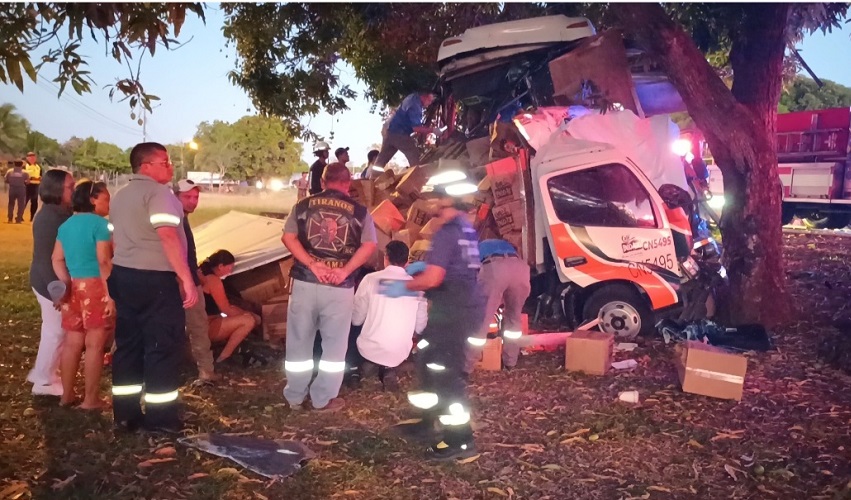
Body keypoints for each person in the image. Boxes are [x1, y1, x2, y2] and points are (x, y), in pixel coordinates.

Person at [382, 189, 485, 461]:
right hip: (457, 309)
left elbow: (432, 278)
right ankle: (429, 422)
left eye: (436, 199)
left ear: (446, 202)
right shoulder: (466, 229)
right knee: (427, 360)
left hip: (453, 313)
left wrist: (402, 286)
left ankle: (460, 440)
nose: (431, 205)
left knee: (445, 374)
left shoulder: (447, 233)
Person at [107, 142, 198, 434]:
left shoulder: (119, 196)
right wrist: (185, 278)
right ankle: (162, 420)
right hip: (156, 279)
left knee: (128, 346)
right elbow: (168, 237)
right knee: (161, 347)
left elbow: (115, 240)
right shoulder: (159, 194)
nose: (170, 167)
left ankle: (125, 415)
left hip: (124, 276)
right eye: (165, 162)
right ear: (146, 166)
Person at [281, 162, 377, 412]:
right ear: (348, 183)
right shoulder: (360, 212)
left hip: (304, 282)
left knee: (299, 340)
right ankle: (322, 398)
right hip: (339, 287)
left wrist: (313, 264)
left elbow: (288, 237)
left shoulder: (302, 206)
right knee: (334, 345)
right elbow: (369, 246)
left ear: (323, 182)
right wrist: (344, 270)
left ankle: (294, 397)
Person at [52, 181, 114, 409]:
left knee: (72, 342)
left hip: (73, 287)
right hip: (96, 286)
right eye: (106, 198)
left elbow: (56, 259)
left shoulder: (66, 225)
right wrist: (111, 294)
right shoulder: (102, 225)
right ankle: (90, 400)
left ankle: (66, 395)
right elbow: (104, 260)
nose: (109, 203)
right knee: (95, 344)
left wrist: (65, 283)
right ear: (92, 199)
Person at [352, 241, 427, 391]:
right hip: (401, 351)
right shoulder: (417, 286)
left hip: (368, 348)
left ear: (385, 257)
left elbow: (356, 319)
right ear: (407, 261)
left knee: (354, 321)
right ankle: (388, 367)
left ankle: (357, 369)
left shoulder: (371, 279)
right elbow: (421, 326)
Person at [27, 169, 75, 397]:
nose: (73, 192)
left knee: (53, 331)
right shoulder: (50, 218)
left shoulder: (58, 214)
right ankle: (44, 381)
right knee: (56, 332)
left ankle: (42, 374)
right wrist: (57, 290)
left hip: (49, 282)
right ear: (56, 190)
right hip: (49, 283)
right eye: (70, 188)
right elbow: (46, 259)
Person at [464, 239, 531, 374]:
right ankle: (510, 362)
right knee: (514, 317)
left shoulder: (474, 249)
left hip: (494, 267)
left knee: (482, 318)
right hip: (520, 268)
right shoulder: (505, 245)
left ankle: (467, 366)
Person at [175, 179, 218, 383]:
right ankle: (205, 370)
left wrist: (198, 275)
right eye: (187, 197)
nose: (193, 201)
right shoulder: (173, 221)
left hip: (189, 279)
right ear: (175, 197)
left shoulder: (182, 219)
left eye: (196, 197)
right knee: (197, 326)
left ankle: (206, 371)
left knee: (197, 325)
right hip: (181, 282)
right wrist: (185, 281)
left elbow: (189, 255)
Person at [198, 250, 260, 363]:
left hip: (197, 324)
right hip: (206, 326)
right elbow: (226, 309)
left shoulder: (200, 272)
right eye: (229, 268)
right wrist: (248, 315)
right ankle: (224, 357)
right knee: (249, 321)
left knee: (243, 317)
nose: (230, 272)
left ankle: (238, 349)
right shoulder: (213, 280)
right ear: (221, 266)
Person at [374, 90, 437, 169]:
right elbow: (416, 128)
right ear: (424, 96)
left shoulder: (412, 96)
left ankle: (372, 177)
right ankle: (416, 175)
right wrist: (433, 130)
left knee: (382, 158)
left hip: (388, 129)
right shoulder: (416, 106)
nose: (430, 103)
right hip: (398, 132)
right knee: (413, 152)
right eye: (429, 100)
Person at [24, 152, 43, 221]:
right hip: (26, 186)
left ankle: (32, 217)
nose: (32, 158)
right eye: (30, 157)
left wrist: (40, 178)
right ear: (27, 158)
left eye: (33, 157)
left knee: (34, 202)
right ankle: (20, 216)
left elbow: (41, 175)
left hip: (36, 186)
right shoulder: (25, 166)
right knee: (24, 201)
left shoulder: (38, 166)